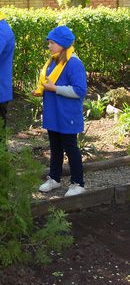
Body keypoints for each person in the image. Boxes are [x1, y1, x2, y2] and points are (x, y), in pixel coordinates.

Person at [33, 25, 87, 197]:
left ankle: (78, 183)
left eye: (52, 43)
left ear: (63, 44)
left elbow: (79, 91)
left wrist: (55, 88)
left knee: (71, 148)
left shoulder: (74, 63)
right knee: (55, 147)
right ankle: (54, 178)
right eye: (49, 43)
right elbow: (48, 86)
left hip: (67, 115)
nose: (49, 46)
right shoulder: (53, 62)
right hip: (54, 115)